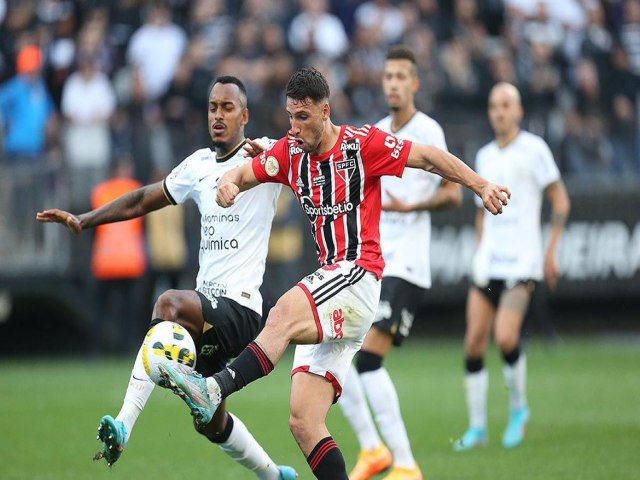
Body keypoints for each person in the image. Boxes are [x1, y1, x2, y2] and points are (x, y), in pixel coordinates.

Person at [158, 67, 510, 480]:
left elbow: (429, 157)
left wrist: (480, 184)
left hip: (358, 275)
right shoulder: (290, 153)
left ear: (325, 111)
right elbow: (242, 172)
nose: (294, 127)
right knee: (304, 422)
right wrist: (229, 184)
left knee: (282, 314)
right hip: (334, 292)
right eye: (290, 116)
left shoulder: (362, 145)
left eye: (303, 117)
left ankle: (214, 387)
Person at [36, 76, 297, 480]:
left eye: (228, 108)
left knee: (168, 304)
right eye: (213, 107)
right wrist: (84, 220)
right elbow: (143, 198)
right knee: (210, 423)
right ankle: (274, 474)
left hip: (241, 309)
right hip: (209, 313)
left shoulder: (264, 156)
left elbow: (309, 160)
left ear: (244, 115)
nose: (218, 115)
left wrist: (280, 159)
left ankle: (124, 425)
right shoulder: (198, 166)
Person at [338, 45, 461, 480]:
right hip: (370, 264)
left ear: (415, 83)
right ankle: (373, 450)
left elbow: (453, 193)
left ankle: (406, 464)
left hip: (406, 265)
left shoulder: (429, 130)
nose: (392, 83)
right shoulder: (373, 133)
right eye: (387, 76)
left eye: (400, 76)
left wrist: (411, 208)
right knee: (335, 357)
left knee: (368, 361)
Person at [452, 82, 570, 452]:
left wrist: (550, 251)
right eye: (493, 105)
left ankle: (518, 409)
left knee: (505, 336)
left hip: (522, 262)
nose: (498, 111)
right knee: (473, 342)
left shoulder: (535, 149)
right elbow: (480, 215)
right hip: (490, 262)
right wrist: (478, 249)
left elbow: (560, 200)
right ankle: (477, 428)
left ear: (518, 111)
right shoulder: (484, 155)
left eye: (505, 105)